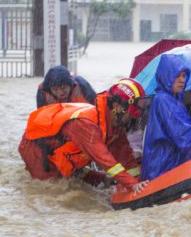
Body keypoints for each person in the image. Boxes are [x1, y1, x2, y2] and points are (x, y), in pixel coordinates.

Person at [18, 78, 148, 191]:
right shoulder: (86, 124)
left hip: (61, 151)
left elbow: (124, 154)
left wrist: (136, 180)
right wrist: (131, 184)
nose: (130, 119)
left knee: (95, 180)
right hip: (37, 149)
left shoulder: (114, 125)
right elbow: (104, 158)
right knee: (52, 188)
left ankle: (94, 177)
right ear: (117, 107)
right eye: (129, 115)